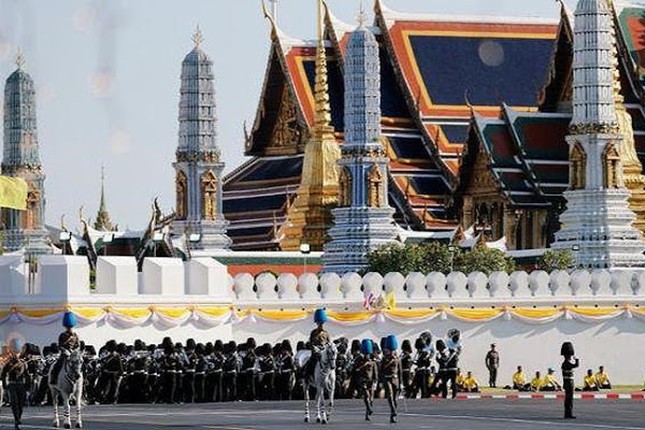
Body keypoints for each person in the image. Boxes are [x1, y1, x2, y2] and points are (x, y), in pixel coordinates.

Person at [1, 339, 27, 429]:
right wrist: (5, 386)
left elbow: (27, 376)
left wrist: (28, 387)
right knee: (14, 403)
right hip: (12, 385)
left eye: (17, 353)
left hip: (21, 385)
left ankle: (19, 417)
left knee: (20, 404)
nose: (16, 354)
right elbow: (3, 375)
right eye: (14, 352)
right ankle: (16, 419)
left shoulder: (23, 364)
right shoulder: (8, 364)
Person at [50, 311, 80, 384]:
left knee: (82, 365)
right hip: (65, 354)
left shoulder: (75, 335)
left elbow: (78, 345)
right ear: (66, 327)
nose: (70, 329)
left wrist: (74, 351)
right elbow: (60, 345)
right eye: (68, 327)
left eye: (71, 327)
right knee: (57, 366)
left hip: (74, 354)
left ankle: (84, 381)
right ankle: (54, 379)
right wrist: (66, 350)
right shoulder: (62, 335)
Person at [380, 335, 402, 423]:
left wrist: (401, 383)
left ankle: (392, 415)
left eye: (393, 350)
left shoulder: (397, 359)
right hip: (387, 379)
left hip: (395, 379)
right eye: (390, 350)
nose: (392, 352)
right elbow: (381, 371)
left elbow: (400, 371)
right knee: (390, 396)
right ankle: (393, 411)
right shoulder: (384, 360)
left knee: (395, 398)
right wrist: (381, 381)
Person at [354, 339, 377, 421]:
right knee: (366, 395)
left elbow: (375, 371)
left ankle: (367, 414)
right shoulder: (359, 360)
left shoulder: (372, 361)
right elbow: (355, 368)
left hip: (370, 380)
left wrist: (375, 380)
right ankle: (369, 409)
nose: (367, 355)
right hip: (363, 380)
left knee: (371, 398)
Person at [561, 342, 579, 419]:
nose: (570, 357)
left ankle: (568, 413)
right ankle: (568, 414)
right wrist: (577, 359)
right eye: (569, 355)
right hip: (568, 383)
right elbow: (576, 365)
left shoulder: (565, 363)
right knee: (569, 399)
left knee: (568, 399)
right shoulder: (566, 363)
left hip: (568, 382)